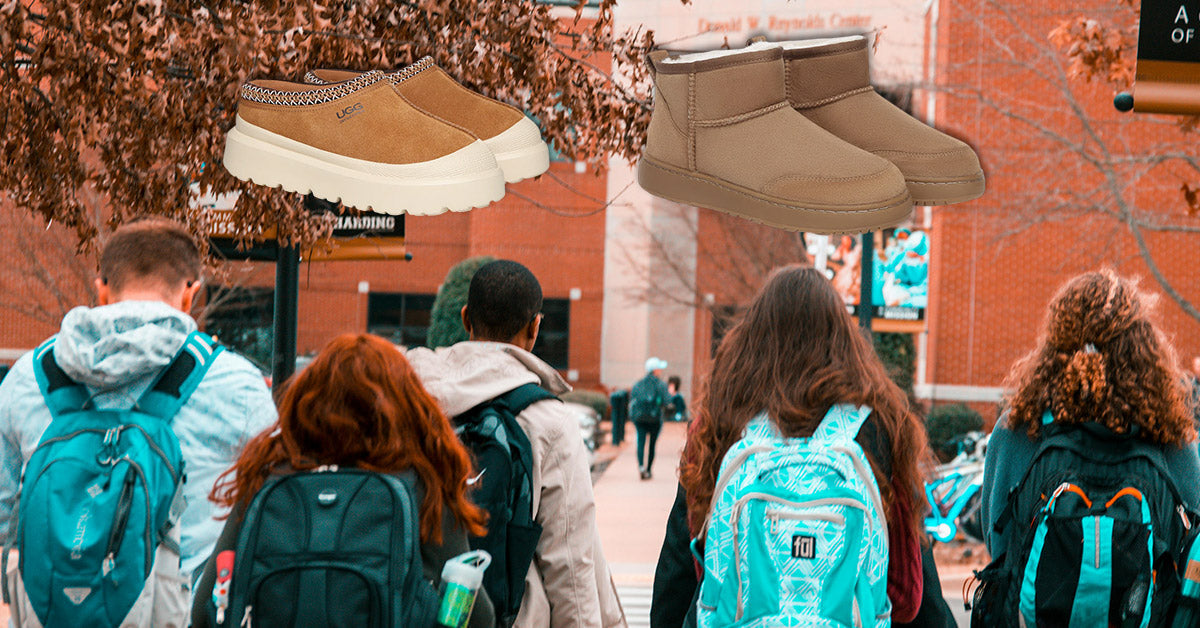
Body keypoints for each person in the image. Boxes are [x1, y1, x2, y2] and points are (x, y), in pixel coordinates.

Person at [652, 265, 954, 627]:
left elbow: (680, 566)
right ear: (843, 341)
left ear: (753, 339)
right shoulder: (878, 428)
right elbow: (911, 585)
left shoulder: (722, 422)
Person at [0, 218, 276, 588]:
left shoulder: (29, 377)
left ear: (102, 290)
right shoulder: (237, 384)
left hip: (57, 608)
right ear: (190, 293)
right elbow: (272, 514)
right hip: (183, 610)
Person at [191, 334, 495, 628]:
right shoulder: (421, 486)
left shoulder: (269, 480)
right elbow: (478, 615)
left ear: (306, 402)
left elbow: (206, 607)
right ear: (405, 407)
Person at [406, 260, 626, 628]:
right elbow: (569, 561)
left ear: (465, 319)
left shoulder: (408, 399)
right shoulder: (547, 420)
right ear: (535, 327)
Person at [978, 270, 1200, 624]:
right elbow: (1189, 551)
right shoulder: (1170, 436)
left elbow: (998, 542)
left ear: (1056, 341)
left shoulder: (1019, 428)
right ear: (1143, 347)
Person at [631, 357, 669, 479]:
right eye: (659, 368)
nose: (661, 371)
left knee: (640, 442)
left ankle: (641, 466)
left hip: (640, 418)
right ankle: (648, 469)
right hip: (655, 419)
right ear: (655, 370)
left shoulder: (638, 384)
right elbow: (667, 401)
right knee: (652, 445)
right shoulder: (661, 385)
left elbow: (632, 399)